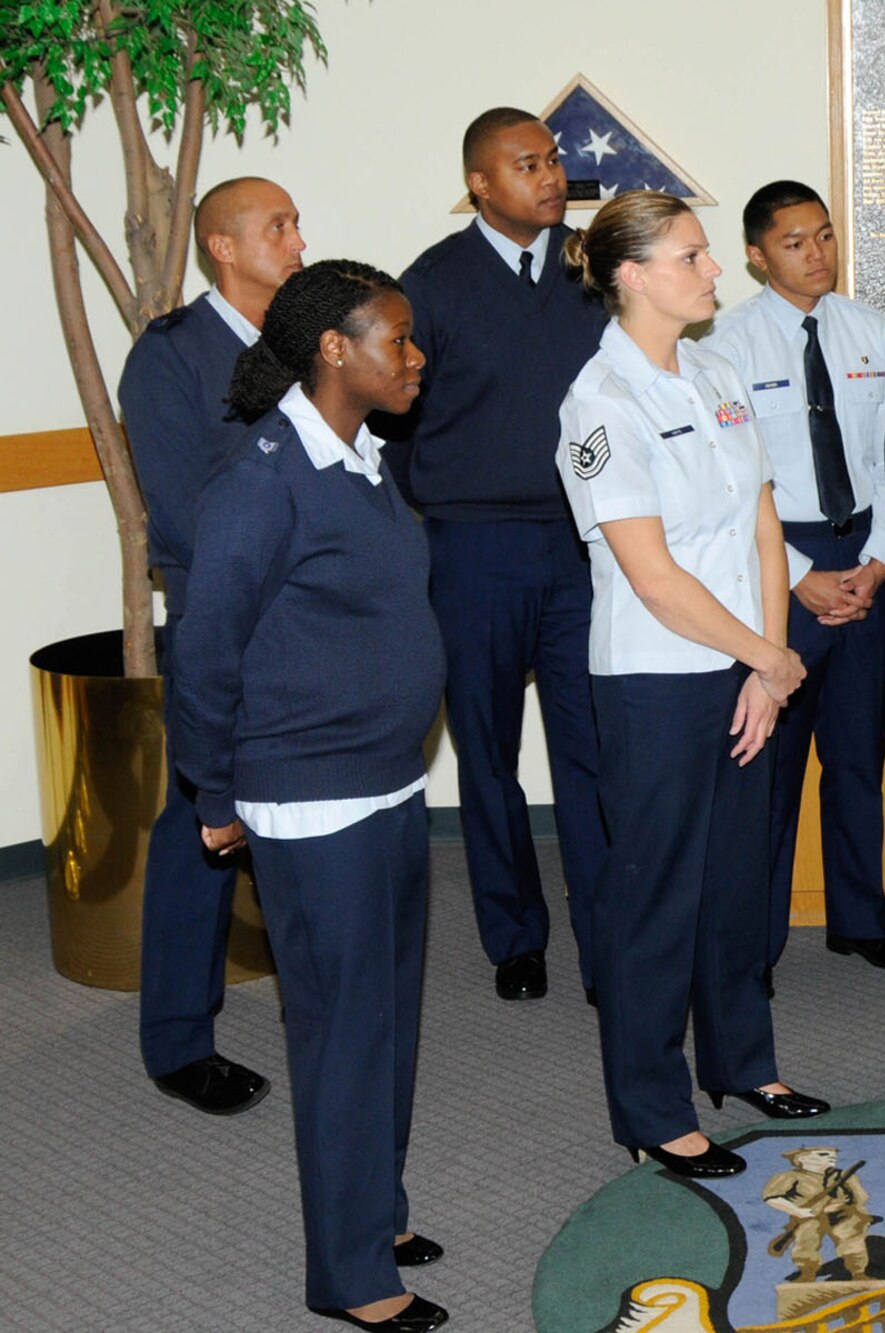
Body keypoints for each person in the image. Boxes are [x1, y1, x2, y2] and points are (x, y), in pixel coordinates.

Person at [174, 260, 448, 1330]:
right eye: (397, 339)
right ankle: (351, 1277)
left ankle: (372, 1211)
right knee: (340, 1033)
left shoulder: (361, 457)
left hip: (385, 780)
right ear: (334, 349)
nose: (414, 356)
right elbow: (207, 649)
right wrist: (212, 791)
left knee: (386, 1020)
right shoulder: (263, 476)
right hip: (309, 797)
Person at [557, 190, 828, 1180]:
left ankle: (742, 1062)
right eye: (690, 257)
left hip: (743, 668)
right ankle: (651, 1107)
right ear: (628, 275)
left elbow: (762, 526)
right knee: (655, 898)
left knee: (736, 884)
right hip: (656, 682)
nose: (713, 272)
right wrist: (767, 655)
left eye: (708, 255)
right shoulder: (600, 403)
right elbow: (654, 577)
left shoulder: (715, 373)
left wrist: (765, 659)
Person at [383, 106, 608, 1005]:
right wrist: (429, 516)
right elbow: (392, 408)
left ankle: (604, 927)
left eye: (553, 160)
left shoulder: (594, 271)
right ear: (481, 184)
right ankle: (516, 936)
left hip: (583, 546)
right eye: (528, 164)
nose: (551, 176)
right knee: (486, 755)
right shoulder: (431, 283)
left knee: (593, 751)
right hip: (471, 550)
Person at [704, 181, 885, 989]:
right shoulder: (726, 347)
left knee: (858, 759)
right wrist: (796, 578)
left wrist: (876, 562)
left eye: (825, 235)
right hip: (781, 569)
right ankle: (753, 943)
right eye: (795, 241)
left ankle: (860, 920)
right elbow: (731, 483)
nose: (817, 252)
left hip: (865, 558)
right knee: (769, 773)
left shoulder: (870, 332)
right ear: (758, 256)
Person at [119, 176, 305, 1117]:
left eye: (297, 222)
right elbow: (186, 517)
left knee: (303, 817)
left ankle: (319, 1014)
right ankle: (178, 1040)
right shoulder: (172, 356)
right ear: (224, 248)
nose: (298, 238)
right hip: (226, 623)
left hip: (310, 620)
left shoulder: (308, 345)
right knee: (200, 822)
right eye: (278, 226)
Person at [764, 1146, 872, 1283]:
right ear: (802, 1158)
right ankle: (807, 1274)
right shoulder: (789, 1177)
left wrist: (849, 1207)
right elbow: (772, 1198)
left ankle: (858, 1273)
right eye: (823, 1154)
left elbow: (862, 1198)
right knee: (806, 1243)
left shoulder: (845, 1175)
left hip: (842, 1215)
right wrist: (797, 1211)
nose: (832, 1157)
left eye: (834, 1154)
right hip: (808, 1216)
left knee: (853, 1242)